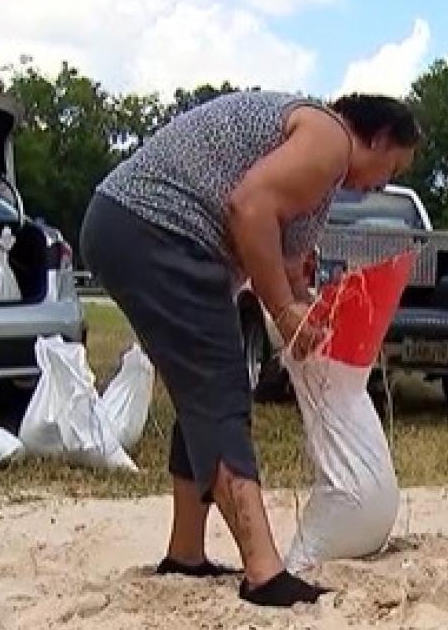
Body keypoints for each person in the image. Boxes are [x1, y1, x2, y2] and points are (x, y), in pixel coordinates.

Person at [79, 90, 420, 607]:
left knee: (202, 388)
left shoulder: (319, 163)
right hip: (153, 228)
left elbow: (281, 256)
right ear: (376, 137)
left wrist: (306, 306)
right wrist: (284, 311)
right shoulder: (329, 139)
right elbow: (250, 207)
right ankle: (263, 572)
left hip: (131, 226)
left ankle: (186, 552)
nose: (381, 183)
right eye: (390, 168)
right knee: (219, 389)